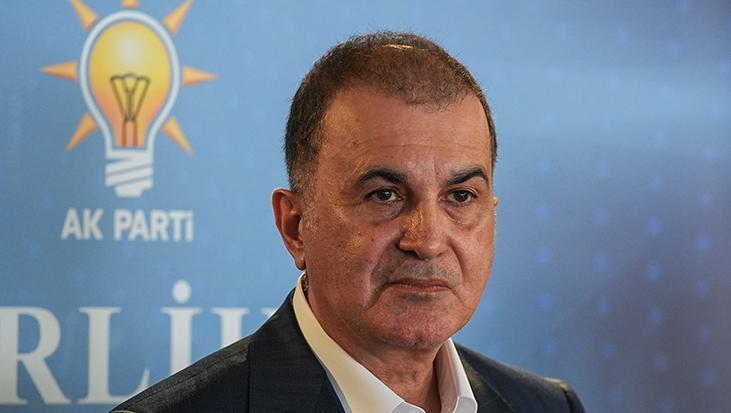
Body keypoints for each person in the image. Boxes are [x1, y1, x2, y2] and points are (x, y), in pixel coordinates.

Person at [112, 31, 585, 413]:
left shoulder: (548, 406)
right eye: (385, 195)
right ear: (295, 226)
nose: (428, 240)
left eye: (460, 197)